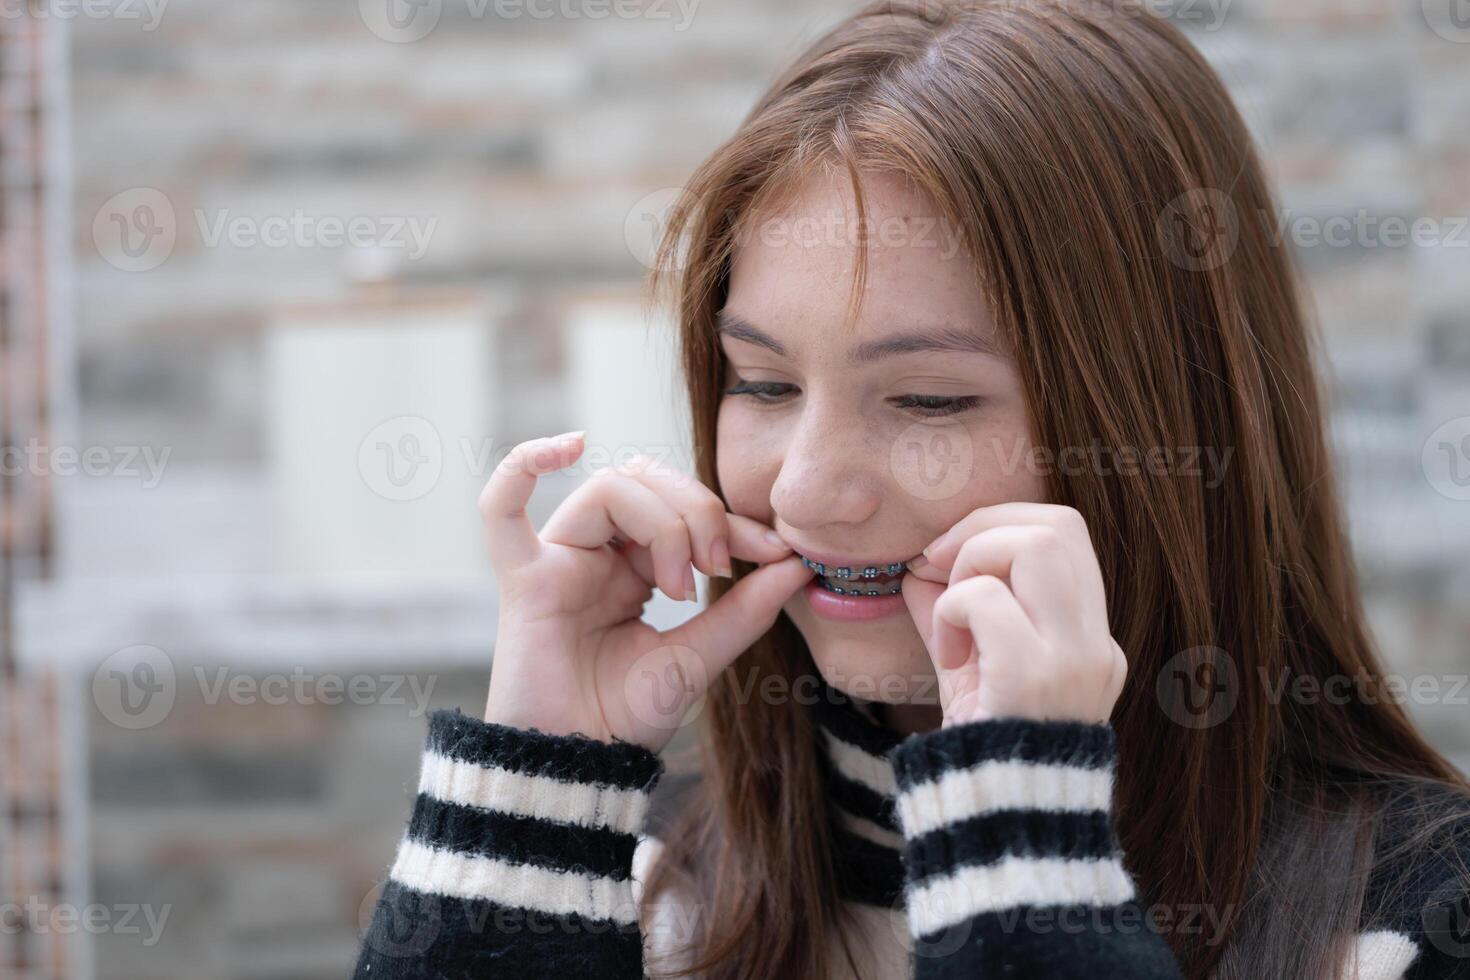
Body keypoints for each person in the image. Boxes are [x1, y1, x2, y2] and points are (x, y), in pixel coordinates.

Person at [353, 1, 1470, 976]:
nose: (808, 488)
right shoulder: (629, 876)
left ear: (1161, 420)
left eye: (931, 400)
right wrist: (538, 785)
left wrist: (1018, 833)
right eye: (763, 382)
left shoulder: (1414, 919)